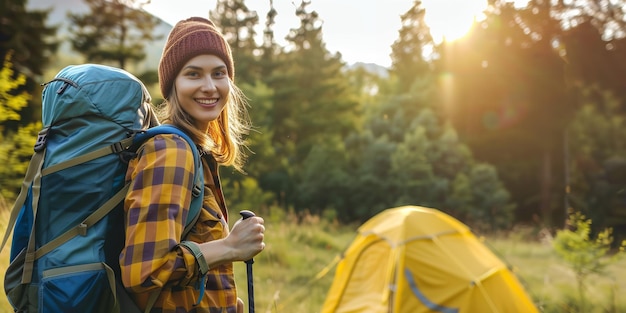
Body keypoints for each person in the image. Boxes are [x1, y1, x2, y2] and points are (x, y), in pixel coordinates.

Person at [120, 16, 265, 313]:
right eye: (194, 74)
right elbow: (144, 272)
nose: (210, 86)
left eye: (219, 73)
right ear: (173, 84)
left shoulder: (195, 151)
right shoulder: (171, 151)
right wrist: (231, 247)